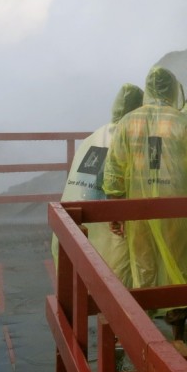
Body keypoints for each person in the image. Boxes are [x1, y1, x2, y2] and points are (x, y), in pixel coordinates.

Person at [102, 66, 187, 344]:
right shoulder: (185, 124)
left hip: (138, 211)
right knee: (178, 270)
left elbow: (113, 171)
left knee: (144, 268)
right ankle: (178, 337)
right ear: (174, 90)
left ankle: (142, 337)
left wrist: (116, 209)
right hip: (178, 211)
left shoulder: (127, 122)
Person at [54, 82, 144, 284]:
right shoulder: (127, 139)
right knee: (116, 292)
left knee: (81, 293)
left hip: (69, 226)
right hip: (105, 230)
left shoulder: (92, 137)